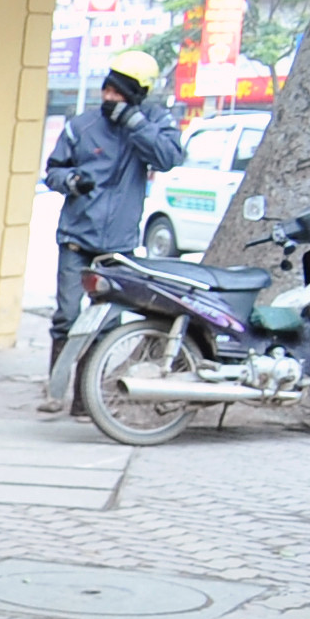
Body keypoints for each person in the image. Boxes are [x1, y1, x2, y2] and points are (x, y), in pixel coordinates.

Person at [41, 50, 185, 409]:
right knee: (67, 318)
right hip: (76, 239)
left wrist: (134, 123)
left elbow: (168, 158)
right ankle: (55, 391)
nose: (109, 98)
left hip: (118, 247)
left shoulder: (153, 122)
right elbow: (53, 171)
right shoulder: (82, 126)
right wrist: (72, 181)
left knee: (104, 325)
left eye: (118, 93)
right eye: (107, 90)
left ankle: (84, 402)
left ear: (137, 94)